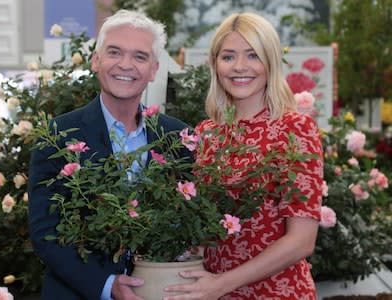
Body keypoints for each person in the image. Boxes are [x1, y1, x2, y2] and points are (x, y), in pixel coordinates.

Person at [27, 9, 191, 300]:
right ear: (96, 60)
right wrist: (106, 285)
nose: (125, 65)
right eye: (115, 52)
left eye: (140, 56)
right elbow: (45, 231)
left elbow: (189, 223)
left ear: (154, 69)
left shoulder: (178, 138)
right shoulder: (58, 136)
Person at [164, 12, 324, 299]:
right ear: (215, 64)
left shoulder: (294, 129)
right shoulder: (207, 133)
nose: (239, 67)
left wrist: (222, 283)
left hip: (275, 292)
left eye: (252, 56)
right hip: (211, 290)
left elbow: (301, 241)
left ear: (270, 62)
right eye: (228, 57)